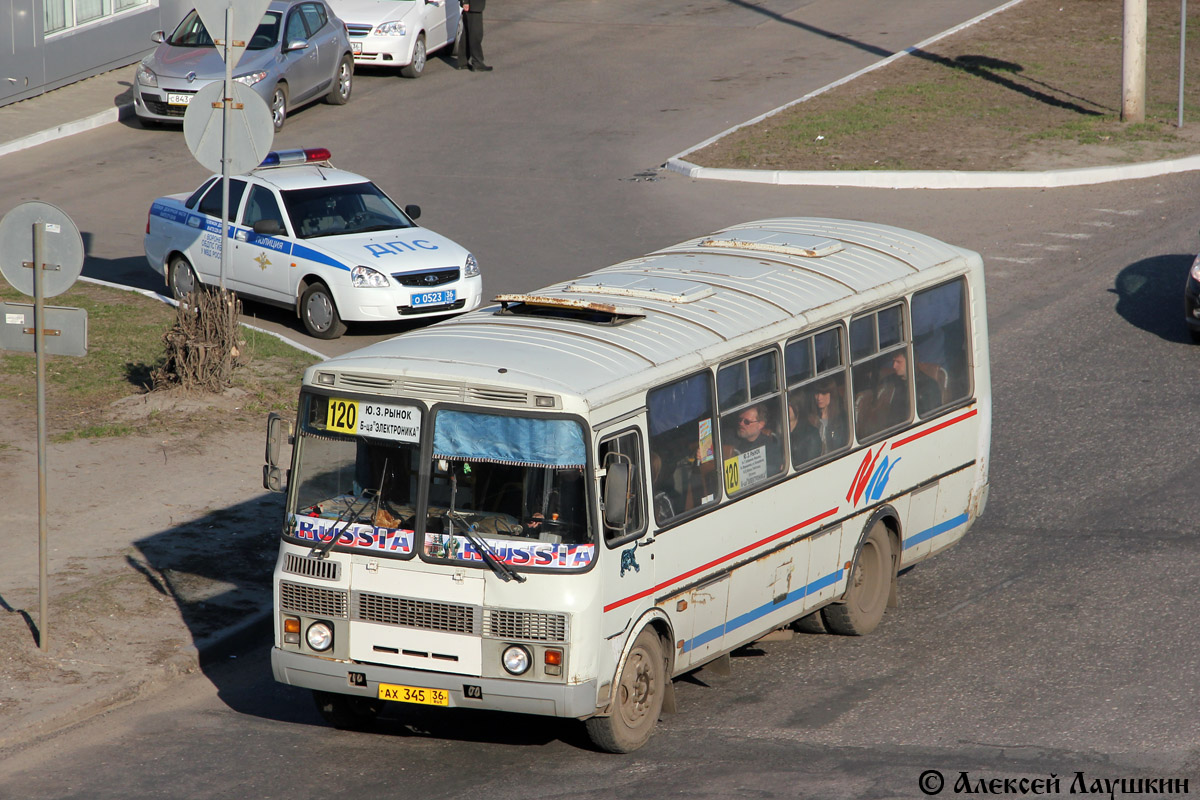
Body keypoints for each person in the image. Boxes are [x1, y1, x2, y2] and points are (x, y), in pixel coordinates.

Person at [880, 351, 938, 428]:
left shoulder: (928, 386)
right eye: (893, 362)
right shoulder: (890, 382)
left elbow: (930, 420)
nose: (894, 366)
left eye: (898, 362)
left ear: (911, 361)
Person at [731, 403, 783, 477]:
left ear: (760, 425)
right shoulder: (731, 440)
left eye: (747, 422)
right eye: (740, 420)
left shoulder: (770, 447)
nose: (741, 424)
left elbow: (771, 471)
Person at [457, 0, 492, 72]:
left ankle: (462, 61)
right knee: (476, 34)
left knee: (467, 33)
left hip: (472, 5)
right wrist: (465, 2)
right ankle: (477, 62)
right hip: (473, 5)